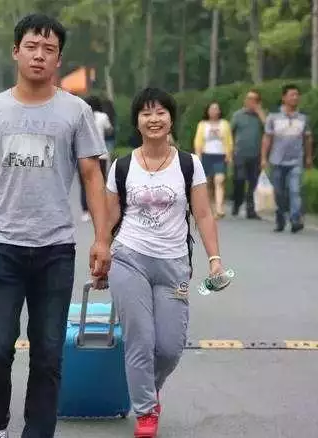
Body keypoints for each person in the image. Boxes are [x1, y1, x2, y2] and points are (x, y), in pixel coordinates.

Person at [0, 14, 111, 438]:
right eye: (32, 47)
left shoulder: (76, 111)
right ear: (16, 51)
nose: (39, 55)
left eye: (49, 49)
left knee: (49, 354)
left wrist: (102, 239)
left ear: (59, 59)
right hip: (1, 245)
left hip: (56, 249)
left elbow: (92, 176)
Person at [107, 87, 224, 438]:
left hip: (174, 266)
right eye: (146, 113)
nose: (154, 119)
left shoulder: (189, 164)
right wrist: (101, 255)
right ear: (137, 122)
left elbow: (203, 214)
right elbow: (109, 219)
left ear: (171, 119)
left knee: (170, 346)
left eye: (160, 112)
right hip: (129, 259)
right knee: (140, 340)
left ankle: (147, 387)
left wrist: (214, 259)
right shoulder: (122, 166)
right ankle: (145, 411)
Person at [261, 84, 313, 233]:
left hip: (296, 161)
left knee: (295, 191)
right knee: (279, 193)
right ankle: (280, 218)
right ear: (284, 97)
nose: (295, 98)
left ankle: (295, 219)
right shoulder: (273, 118)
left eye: (297, 95)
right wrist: (263, 158)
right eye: (292, 95)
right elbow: (267, 138)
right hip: (277, 161)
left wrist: (308, 157)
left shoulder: (303, 118)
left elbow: (308, 139)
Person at [230, 89, 266, 219]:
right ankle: (237, 202)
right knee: (239, 179)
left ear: (258, 102)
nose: (251, 102)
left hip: (256, 155)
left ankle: (251, 210)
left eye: (254, 99)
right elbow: (229, 133)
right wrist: (230, 150)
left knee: (253, 182)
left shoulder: (261, 116)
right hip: (239, 154)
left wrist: (260, 112)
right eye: (249, 99)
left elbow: (269, 130)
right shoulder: (237, 115)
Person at [193, 101, 233, 218]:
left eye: (216, 109)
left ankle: (219, 208)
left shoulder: (224, 124)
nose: (214, 111)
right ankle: (211, 208)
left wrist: (229, 154)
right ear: (208, 111)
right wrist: (198, 155)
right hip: (206, 155)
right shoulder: (202, 125)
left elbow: (229, 140)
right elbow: (198, 141)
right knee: (208, 183)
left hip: (220, 155)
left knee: (219, 180)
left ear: (219, 111)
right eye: (212, 109)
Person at [79, 95, 113, 222]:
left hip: (84, 155)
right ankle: (101, 210)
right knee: (101, 183)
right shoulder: (103, 116)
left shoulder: (80, 116)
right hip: (101, 155)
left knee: (84, 184)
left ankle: (86, 211)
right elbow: (109, 130)